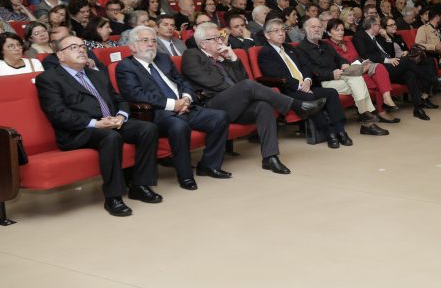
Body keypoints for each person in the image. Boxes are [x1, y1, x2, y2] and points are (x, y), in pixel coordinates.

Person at [35, 35, 161, 217]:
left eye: (82, 46)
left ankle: (140, 186)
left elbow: (119, 99)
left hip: (110, 122)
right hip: (79, 130)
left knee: (148, 129)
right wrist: (96, 123)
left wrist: (121, 116)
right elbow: (58, 114)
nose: (80, 50)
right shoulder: (49, 79)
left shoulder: (96, 74)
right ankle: (113, 197)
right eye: (73, 47)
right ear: (60, 55)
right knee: (111, 137)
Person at [180, 21, 325, 175]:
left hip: (236, 103)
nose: (220, 41)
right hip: (212, 104)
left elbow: (243, 78)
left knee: (264, 106)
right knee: (248, 86)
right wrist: (239, 91)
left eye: (220, 37)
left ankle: (270, 157)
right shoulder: (192, 55)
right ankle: (297, 105)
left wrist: (233, 58)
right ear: (203, 44)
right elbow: (210, 82)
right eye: (215, 38)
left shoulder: (224, 56)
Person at [116, 26, 231, 191]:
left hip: (185, 107)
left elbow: (182, 80)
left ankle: (208, 165)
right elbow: (136, 95)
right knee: (179, 126)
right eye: (145, 40)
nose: (151, 44)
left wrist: (186, 98)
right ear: (133, 46)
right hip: (158, 114)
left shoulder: (163, 58)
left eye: (154, 41)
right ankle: (185, 176)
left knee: (220, 117)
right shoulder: (125, 67)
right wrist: (172, 105)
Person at [257, 18, 352, 148]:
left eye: (283, 30)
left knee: (331, 93)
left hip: (306, 85)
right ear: (267, 35)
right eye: (276, 31)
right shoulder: (265, 53)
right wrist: (299, 86)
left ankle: (340, 130)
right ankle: (329, 133)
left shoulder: (289, 48)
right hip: (288, 91)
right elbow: (277, 75)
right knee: (310, 97)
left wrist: (307, 80)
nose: (281, 33)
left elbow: (305, 66)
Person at [295, 17, 392, 134]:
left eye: (319, 27)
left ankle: (367, 120)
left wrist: (344, 64)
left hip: (339, 77)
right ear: (305, 30)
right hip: (321, 83)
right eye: (313, 27)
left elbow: (339, 58)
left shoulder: (325, 45)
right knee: (358, 82)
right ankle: (367, 119)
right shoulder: (301, 48)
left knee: (357, 80)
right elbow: (309, 70)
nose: (317, 29)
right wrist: (330, 74)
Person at [354, 15, 435, 120]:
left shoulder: (378, 37)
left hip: (389, 66)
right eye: (379, 25)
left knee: (410, 74)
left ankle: (418, 108)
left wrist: (387, 38)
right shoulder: (360, 36)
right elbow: (365, 55)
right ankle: (433, 79)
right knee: (408, 60)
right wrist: (387, 60)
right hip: (379, 69)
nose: (380, 27)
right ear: (373, 25)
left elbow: (389, 53)